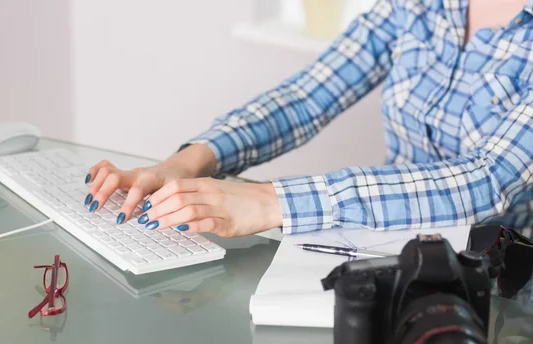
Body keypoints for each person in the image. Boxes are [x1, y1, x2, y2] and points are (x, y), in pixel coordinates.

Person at [83, 0, 533, 238]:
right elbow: (306, 97)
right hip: (392, 248)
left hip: (507, 292)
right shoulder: (417, 4)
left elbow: (486, 180)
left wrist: (269, 202)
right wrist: (186, 163)